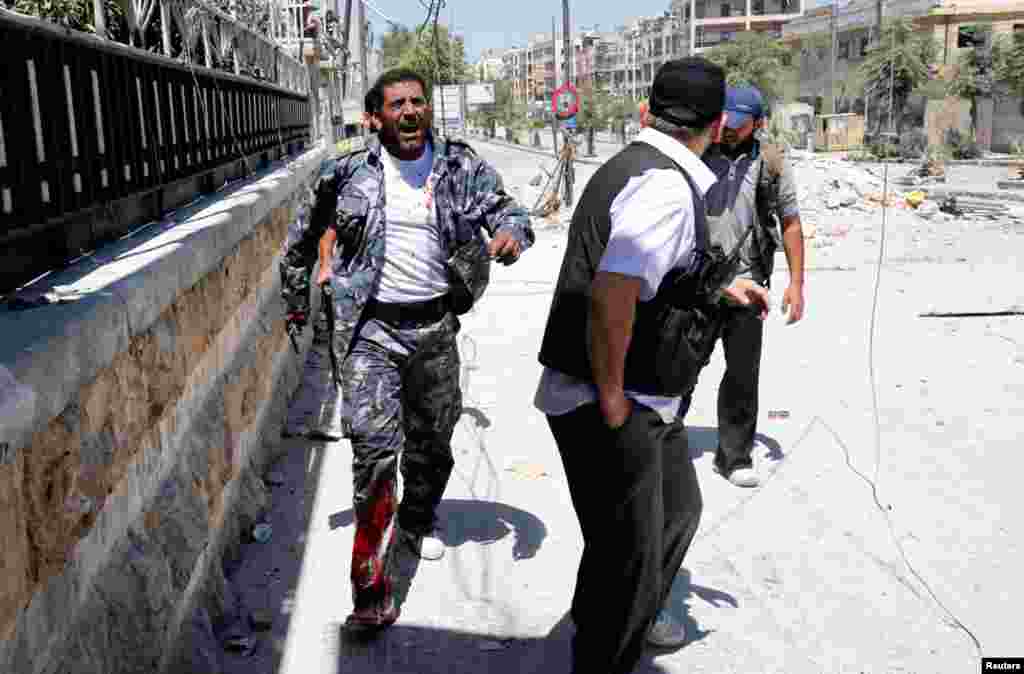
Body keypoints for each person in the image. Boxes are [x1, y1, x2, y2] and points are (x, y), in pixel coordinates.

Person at [534, 58, 770, 673]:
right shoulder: (664, 185)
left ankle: (611, 619)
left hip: (637, 399)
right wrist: (612, 395)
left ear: (648, 111)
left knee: (677, 512)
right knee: (627, 562)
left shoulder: (638, 166)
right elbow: (614, 291)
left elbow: (651, 280)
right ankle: (607, 644)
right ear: (718, 124)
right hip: (612, 400)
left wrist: (721, 291)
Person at [283, 67, 534, 633]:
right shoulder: (346, 171)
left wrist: (512, 234)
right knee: (373, 454)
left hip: (435, 329)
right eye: (396, 104)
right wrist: (297, 299)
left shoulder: (458, 166)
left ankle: (416, 520)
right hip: (370, 331)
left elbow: (508, 210)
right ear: (376, 116)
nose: (410, 111)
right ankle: (369, 590)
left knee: (432, 443)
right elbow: (302, 236)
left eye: (418, 102)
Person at [675, 85, 806, 489]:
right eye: (723, 122)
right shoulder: (697, 153)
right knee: (680, 364)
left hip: (750, 284)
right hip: (700, 281)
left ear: (758, 124)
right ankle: (660, 439)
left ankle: (733, 456)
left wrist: (796, 284)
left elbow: (791, 223)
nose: (727, 130)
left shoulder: (771, 163)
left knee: (743, 375)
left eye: (737, 124)